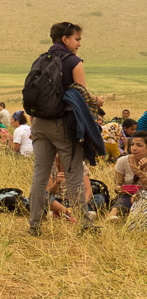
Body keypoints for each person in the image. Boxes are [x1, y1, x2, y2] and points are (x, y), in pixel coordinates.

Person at [28, 22, 101, 236]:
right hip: (63, 124)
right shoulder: (74, 62)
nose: (79, 44)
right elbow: (83, 96)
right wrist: (98, 101)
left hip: (39, 123)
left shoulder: (40, 60)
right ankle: (85, 225)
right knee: (74, 175)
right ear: (65, 39)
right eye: (77, 39)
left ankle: (34, 225)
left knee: (39, 175)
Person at [108, 130, 147, 220]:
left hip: (144, 196)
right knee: (123, 200)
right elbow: (117, 185)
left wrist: (141, 172)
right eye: (132, 144)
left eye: (139, 145)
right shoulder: (123, 161)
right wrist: (119, 189)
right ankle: (112, 216)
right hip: (128, 195)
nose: (134, 148)